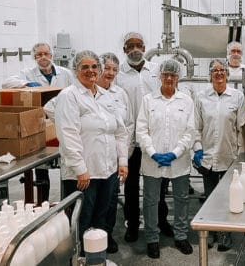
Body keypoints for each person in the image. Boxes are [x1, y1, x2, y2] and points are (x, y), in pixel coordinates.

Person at [54, 50, 129, 254]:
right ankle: (80, 257)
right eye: (84, 67)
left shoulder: (107, 96)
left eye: (94, 66)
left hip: (108, 169)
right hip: (84, 173)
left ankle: (98, 257)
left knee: (103, 216)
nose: (90, 71)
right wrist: (80, 168)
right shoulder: (69, 96)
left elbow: (120, 131)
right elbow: (68, 135)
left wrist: (123, 161)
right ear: (75, 70)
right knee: (83, 218)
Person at [115, 32, 173, 243]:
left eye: (139, 45)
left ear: (145, 47)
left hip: (154, 138)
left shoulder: (156, 71)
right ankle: (132, 224)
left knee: (158, 183)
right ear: (124, 50)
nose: (135, 49)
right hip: (130, 139)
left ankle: (161, 220)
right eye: (130, 46)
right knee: (130, 185)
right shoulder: (119, 75)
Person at [136, 59, 195, 259]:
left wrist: (174, 153)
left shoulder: (186, 101)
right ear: (159, 76)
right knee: (151, 200)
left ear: (178, 77)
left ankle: (181, 235)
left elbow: (190, 132)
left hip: (179, 161)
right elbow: (141, 130)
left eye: (173, 74)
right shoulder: (148, 100)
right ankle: (152, 239)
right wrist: (153, 152)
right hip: (152, 161)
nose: (169, 78)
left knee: (182, 198)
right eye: (165, 74)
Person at [3, 42, 75, 203]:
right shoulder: (28, 73)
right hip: (41, 124)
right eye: (38, 55)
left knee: (67, 166)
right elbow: (7, 82)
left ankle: (67, 204)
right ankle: (43, 203)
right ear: (34, 57)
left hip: (64, 121)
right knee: (42, 170)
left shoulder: (65, 73)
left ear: (52, 55)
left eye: (46, 54)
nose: (43, 57)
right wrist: (27, 84)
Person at [193, 58, 245, 251]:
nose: (218, 73)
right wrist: (197, 148)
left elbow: (241, 128)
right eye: (214, 70)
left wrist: (240, 155)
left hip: (228, 156)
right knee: (209, 198)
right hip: (207, 156)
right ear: (210, 75)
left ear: (227, 73)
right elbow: (196, 127)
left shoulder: (237, 96)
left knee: (227, 197)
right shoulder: (201, 97)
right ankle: (209, 232)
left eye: (222, 70)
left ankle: (225, 234)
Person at [96, 53, 134, 254]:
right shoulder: (87, 92)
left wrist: (123, 158)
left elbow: (126, 126)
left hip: (114, 157)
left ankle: (107, 235)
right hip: (92, 158)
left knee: (111, 199)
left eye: (114, 70)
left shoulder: (120, 94)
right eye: (107, 68)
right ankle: (89, 237)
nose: (110, 73)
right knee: (92, 201)